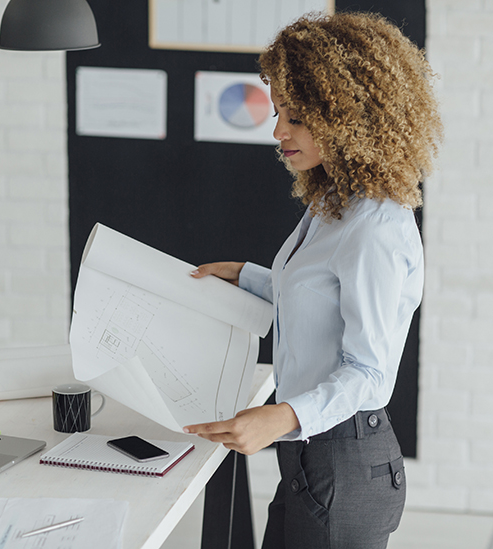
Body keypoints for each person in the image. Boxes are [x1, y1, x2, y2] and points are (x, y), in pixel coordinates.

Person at [183, 11, 443, 549]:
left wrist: (280, 416)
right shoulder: (334, 202)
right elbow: (318, 302)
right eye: (278, 112)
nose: (278, 131)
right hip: (309, 455)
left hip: (345, 464)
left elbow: (370, 374)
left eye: (296, 118)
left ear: (349, 116)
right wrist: (249, 278)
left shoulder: (375, 229)